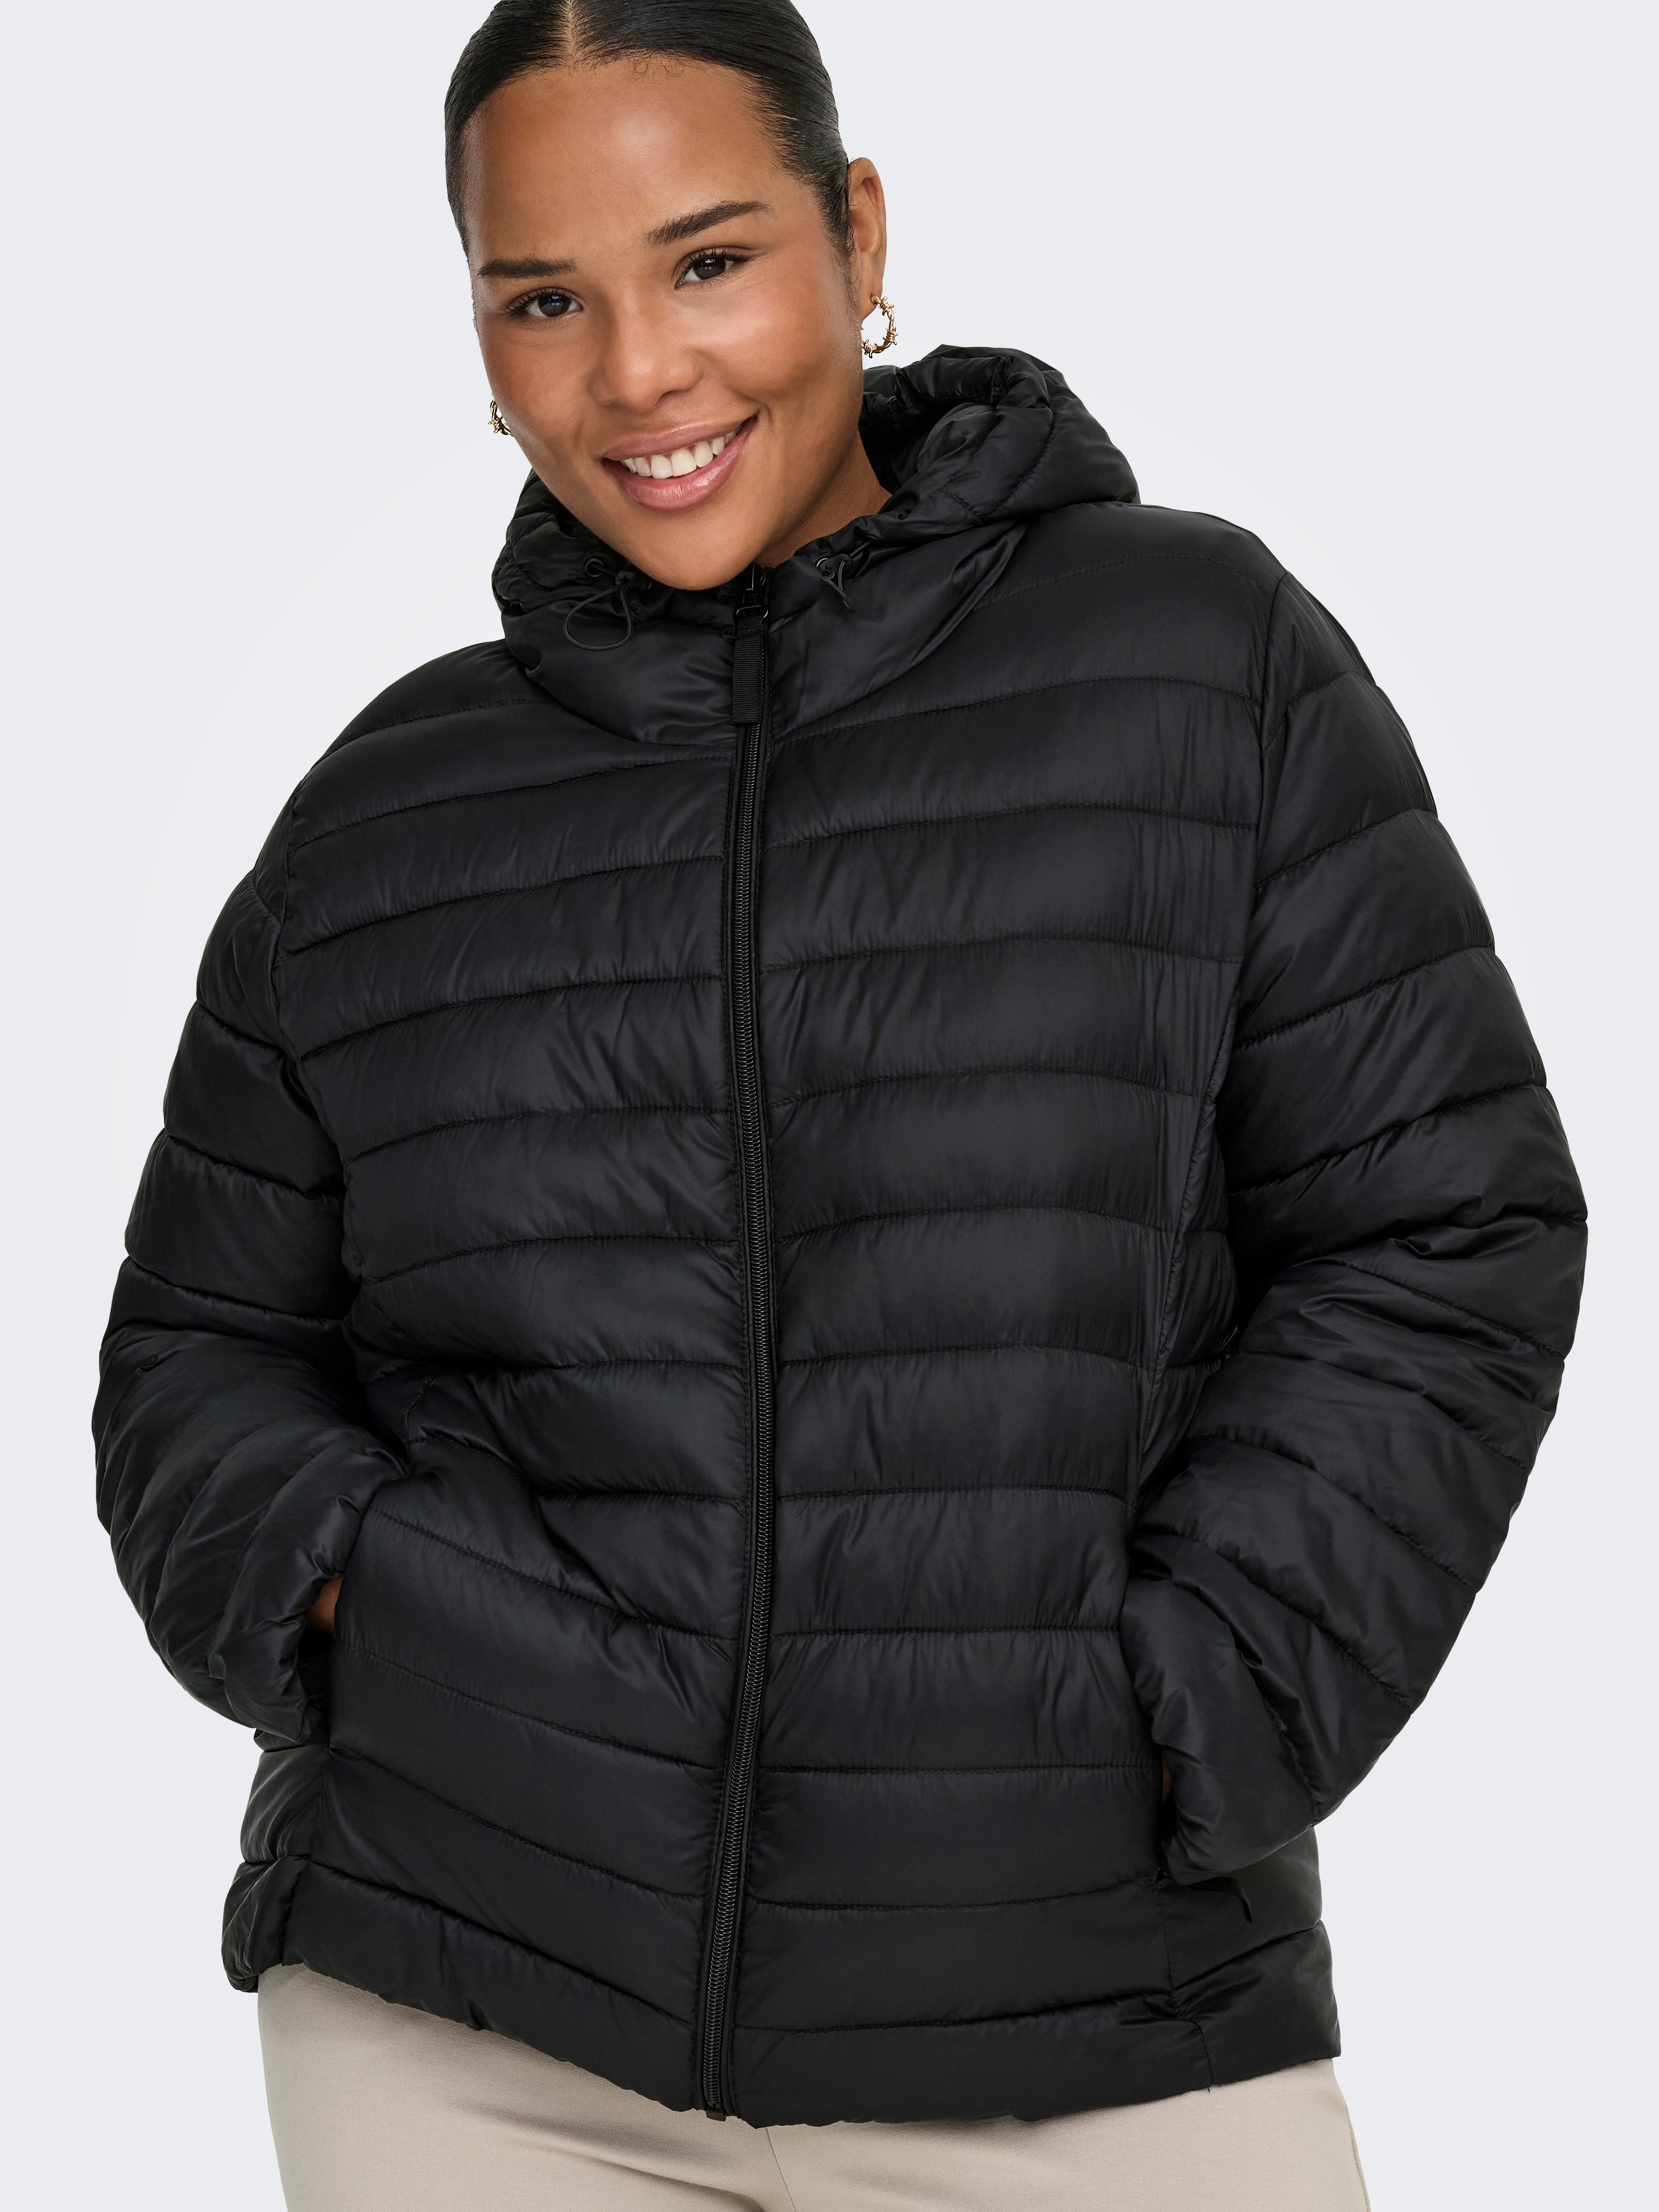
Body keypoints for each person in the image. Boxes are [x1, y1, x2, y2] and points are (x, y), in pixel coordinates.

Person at [93, 2, 1586, 2205]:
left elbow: (1442, 1222)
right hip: (466, 2018)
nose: (639, 374)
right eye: (542, 299)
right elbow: (199, 1350)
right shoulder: (392, 805)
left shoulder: (1197, 659)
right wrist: (366, 1604)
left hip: (1090, 2015)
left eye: (707, 260)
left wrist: (1197, 1702)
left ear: (856, 234)